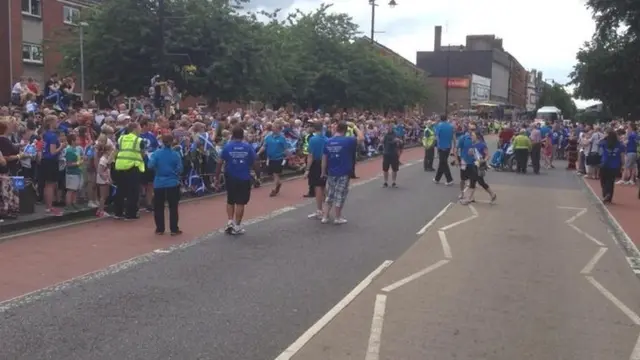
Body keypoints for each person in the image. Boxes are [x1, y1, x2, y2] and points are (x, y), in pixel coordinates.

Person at [215, 126, 258, 235]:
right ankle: (237, 226)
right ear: (242, 135)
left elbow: (219, 162)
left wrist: (216, 177)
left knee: (230, 200)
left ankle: (230, 221)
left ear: (233, 135)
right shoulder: (248, 147)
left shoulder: (227, 147)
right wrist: (258, 175)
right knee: (240, 202)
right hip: (244, 177)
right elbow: (255, 162)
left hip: (230, 177)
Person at [321, 121, 364, 224]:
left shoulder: (328, 141)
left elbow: (324, 158)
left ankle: (325, 216)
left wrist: (323, 171)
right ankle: (337, 217)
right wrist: (354, 126)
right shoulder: (348, 140)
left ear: (336, 129)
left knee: (330, 194)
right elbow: (361, 138)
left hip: (331, 172)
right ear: (345, 131)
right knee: (340, 194)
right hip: (344, 172)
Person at [148, 134, 183, 235]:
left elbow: (150, 165)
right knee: (173, 207)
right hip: (172, 182)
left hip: (159, 182)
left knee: (158, 207)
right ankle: (174, 229)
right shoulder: (175, 154)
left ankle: (160, 229)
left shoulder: (156, 153)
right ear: (172, 142)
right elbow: (180, 169)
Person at [113, 122, 145, 220]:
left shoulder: (121, 138)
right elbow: (142, 154)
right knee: (133, 191)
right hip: (132, 167)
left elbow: (116, 151)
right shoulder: (139, 140)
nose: (140, 129)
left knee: (120, 190)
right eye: (139, 127)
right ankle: (130, 214)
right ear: (134, 129)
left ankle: (118, 213)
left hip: (120, 166)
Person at [459, 130, 497, 204]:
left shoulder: (482, 145)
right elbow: (471, 154)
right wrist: (470, 153)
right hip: (474, 165)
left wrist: (483, 161)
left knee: (473, 181)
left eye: (473, 135)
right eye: (471, 135)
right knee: (480, 182)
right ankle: (492, 194)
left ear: (477, 136)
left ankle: (468, 199)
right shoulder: (472, 145)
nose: (471, 137)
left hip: (479, 166)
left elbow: (487, 155)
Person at [257, 121, 288, 197]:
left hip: (279, 159)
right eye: (273, 127)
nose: (273, 129)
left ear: (279, 129)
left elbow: (286, 149)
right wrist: (257, 153)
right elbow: (264, 146)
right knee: (271, 174)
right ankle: (278, 183)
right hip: (270, 159)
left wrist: (286, 156)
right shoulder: (268, 137)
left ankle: (275, 189)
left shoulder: (282, 138)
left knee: (275, 173)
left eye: (274, 127)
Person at [304, 122, 328, 219]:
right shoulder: (327, 139)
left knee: (318, 187)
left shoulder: (313, 140)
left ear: (314, 128)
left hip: (316, 164)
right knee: (324, 187)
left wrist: (307, 169)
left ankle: (319, 210)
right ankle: (326, 208)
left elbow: (310, 156)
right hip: (326, 163)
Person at [600, 130, 625, 204]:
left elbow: (599, 143)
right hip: (614, 166)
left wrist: (604, 137)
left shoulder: (604, 143)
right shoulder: (620, 145)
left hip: (604, 164)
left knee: (603, 181)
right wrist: (623, 164)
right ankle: (609, 196)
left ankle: (605, 193)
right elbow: (622, 156)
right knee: (611, 181)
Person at [433, 115, 455, 185]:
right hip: (448, 146)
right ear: (446, 119)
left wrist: (438, 146)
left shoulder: (439, 126)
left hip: (441, 147)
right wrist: (455, 146)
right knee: (442, 162)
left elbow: (437, 137)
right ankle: (437, 179)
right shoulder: (451, 126)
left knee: (444, 163)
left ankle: (449, 179)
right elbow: (453, 137)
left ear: (440, 119)